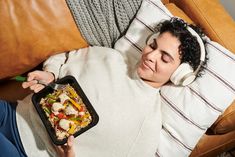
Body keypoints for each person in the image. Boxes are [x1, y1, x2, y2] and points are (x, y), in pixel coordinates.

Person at [0, 17, 208, 157]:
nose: (151, 56)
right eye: (153, 46)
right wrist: (51, 73)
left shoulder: (147, 128)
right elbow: (64, 58)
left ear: (180, 75)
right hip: (13, 114)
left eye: (164, 58)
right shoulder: (109, 56)